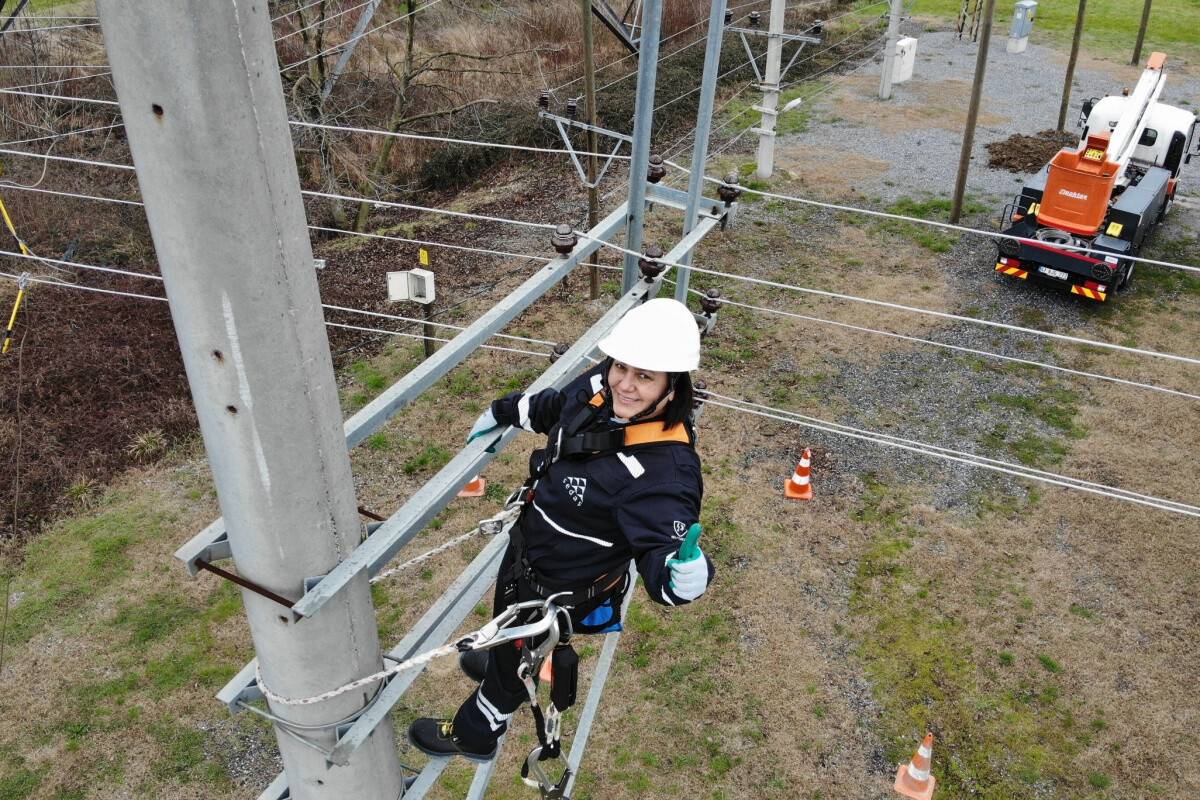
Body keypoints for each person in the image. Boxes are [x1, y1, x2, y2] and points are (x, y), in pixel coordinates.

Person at [408, 297, 715, 762]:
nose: (625, 385)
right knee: (508, 637)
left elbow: (663, 553)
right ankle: (499, 658)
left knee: (514, 669)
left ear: (672, 386)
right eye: (623, 368)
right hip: (529, 551)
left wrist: (681, 576)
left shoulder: (663, 473)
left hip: (561, 589)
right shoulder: (601, 384)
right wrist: (505, 410)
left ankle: (475, 732)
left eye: (644, 377)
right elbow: (556, 408)